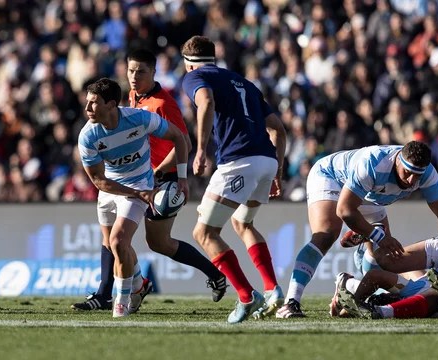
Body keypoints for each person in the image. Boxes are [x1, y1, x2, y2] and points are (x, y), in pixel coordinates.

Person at [71, 49, 227, 312]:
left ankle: (215, 275)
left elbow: (183, 141)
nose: (133, 76)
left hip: (159, 180)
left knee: (158, 242)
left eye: (140, 71)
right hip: (133, 177)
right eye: (130, 70)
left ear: (153, 72)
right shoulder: (132, 98)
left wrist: (173, 176)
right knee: (115, 239)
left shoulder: (160, 104)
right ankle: (106, 293)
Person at [276, 140, 438, 319]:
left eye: (417, 175)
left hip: (369, 193)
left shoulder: (427, 173)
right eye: (407, 172)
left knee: (386, 260)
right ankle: (291, 302)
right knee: (327, 233)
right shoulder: (374, 163)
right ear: (397, 159)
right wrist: (378, 236)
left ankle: (349, 281)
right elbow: (344, 210)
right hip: (333, 176)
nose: (411, 180)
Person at [181, 35, 287, 324]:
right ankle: (272, 289)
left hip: (239, 162)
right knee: (243, 223)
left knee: (204, 234)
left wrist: (201, 150)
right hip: (266, 161)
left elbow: (205, 102)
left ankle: (246, 295)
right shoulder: (243, 82)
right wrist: (276, 171)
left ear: (188, 63)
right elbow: (278, 129)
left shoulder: (195, 77)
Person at [76, 78, 189, 317]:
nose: (87, 109)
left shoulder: (139, 119)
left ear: (111, 105)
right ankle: (139, 284)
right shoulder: (87, 136)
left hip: (140, 182)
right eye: (87, 102)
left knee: (118, 242)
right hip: (112, 188)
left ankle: (121, 301)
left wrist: (182, 178)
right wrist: (138, 193)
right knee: (112, 245)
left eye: (93, 103)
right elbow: (99, 181)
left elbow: (179, 137)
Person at [331, 199, 438, 319]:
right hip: (429, 290)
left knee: (385, 271)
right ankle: (372, 235)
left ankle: (349, 288)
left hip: (432, 291)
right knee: (385, 264)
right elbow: (393, 261)